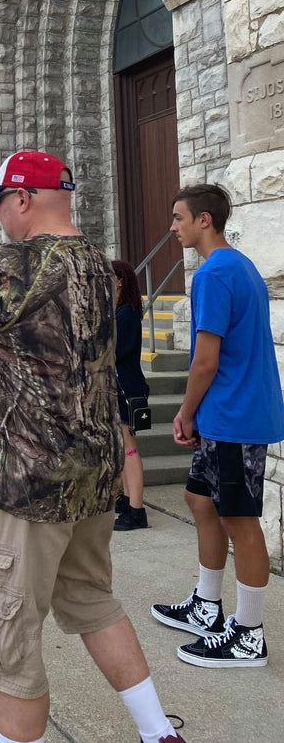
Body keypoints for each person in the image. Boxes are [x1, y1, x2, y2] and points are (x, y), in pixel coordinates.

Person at [0, 152, 187, 743]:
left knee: (4, 638)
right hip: (91, 471)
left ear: (23, 199)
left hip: (24, 481)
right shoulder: (96, 262)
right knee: (93, 599)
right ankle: (157, 732)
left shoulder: (16, 263)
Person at [151, 184, 284, 668]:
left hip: (233, 414)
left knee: (240, 520)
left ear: (204, 220)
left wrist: (184, 412)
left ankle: (249, 636)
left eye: (178, 217)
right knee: (200, 499)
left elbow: (205, 361)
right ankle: (207, 607)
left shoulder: (213, 274)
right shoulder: (240, 266)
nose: (172, 226)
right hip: (230, 412)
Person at [111, 260, 150, 532]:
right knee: (125, 447)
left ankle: (137, 510)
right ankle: (127, 499)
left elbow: (111, 352)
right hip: (121, 388)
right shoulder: (119, 313)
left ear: (120, 281)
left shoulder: (125, 315)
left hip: (127, 390)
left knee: (129, 448)